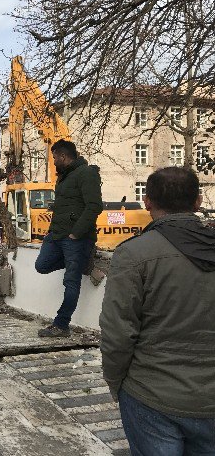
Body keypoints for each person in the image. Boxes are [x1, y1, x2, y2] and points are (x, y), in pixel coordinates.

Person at [100, 167, 215, 454]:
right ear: (198, 201)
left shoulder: (134, 254)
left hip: (151, 396)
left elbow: (117, 333)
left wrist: (116, 383)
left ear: (148, 202)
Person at [34, 139, 103, 337]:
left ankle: (61, 325)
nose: (53, 161)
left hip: (76, 238)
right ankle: (82, 261)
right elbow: (72, 203)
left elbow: (94, 206)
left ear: (63, 156)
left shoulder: (87, 173)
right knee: (42, 265)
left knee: (71, 282)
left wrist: (76, 233)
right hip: (57, 235)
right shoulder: (65, 176)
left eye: (55, 157)